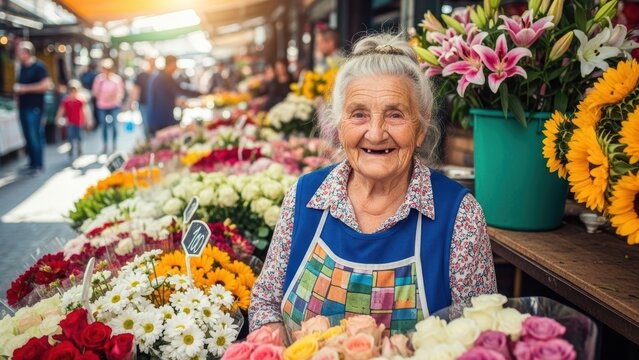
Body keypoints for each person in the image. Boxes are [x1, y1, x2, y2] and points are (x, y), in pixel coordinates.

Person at [249, 34, 497, 340]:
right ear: (339, 126)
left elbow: (482, 339)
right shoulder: (305, 198)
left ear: (420, 127)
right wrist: (271, 339)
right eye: (359, 115)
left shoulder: (458, 216)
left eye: (395, 115)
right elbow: (266, 302)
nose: (376, 133)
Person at [14, 41, 51, 175]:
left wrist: (25, 88)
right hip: (23, 107)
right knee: (27, 136)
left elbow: (46, 85)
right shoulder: (21, 67)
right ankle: (32, 163)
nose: (17, 54)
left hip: (34, 107)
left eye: (19, 52)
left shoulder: (39, 67)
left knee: (35, 135)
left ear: (27, 53)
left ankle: (38, 165)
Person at [146, 55, 201, 135]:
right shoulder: (164, 78)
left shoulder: (161, 76)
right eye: (175, 65)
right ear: (171, 64)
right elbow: (177, 91)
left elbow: (174, 92)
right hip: (161, 120)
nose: (176, 68)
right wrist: (200, 93)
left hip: (159, 118)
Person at [92, 58, 124, 153]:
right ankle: (105, 145)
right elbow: (94, 92)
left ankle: (114, 144)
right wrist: (102, 96)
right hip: (102, 106)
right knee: (104, 126)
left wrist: (112, 97)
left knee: (114, 125)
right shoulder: (99, 79)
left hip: (113, 105)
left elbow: (120, 93)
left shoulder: (116, 79)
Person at [127, 57, 156, 139]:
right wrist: (131, 103)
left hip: (155, 105)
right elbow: (136, 90)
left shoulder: (157, 75)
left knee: (154, 126)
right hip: (144, 104)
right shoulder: (141, 76)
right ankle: (149, 143)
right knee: (146, 126)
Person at [56, 80, 85, 159]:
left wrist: (87, 120)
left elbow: (84, 111)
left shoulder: (80, 101)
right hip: (70, 122)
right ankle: (71, 149)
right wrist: (58, 118)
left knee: (79, 137)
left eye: (74, 91)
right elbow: (61, 110)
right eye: (71, 91)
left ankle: (79, 149)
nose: (73, 94)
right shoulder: (66, 101)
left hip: (79, 122)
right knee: (70, 137)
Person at [80, 62, 99, 130]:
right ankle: (90, 124)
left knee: (89, 109)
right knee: (90, 109)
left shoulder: (86, 74)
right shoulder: (94, 75)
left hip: (89, 94)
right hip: (89, 94)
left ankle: (90, 124)